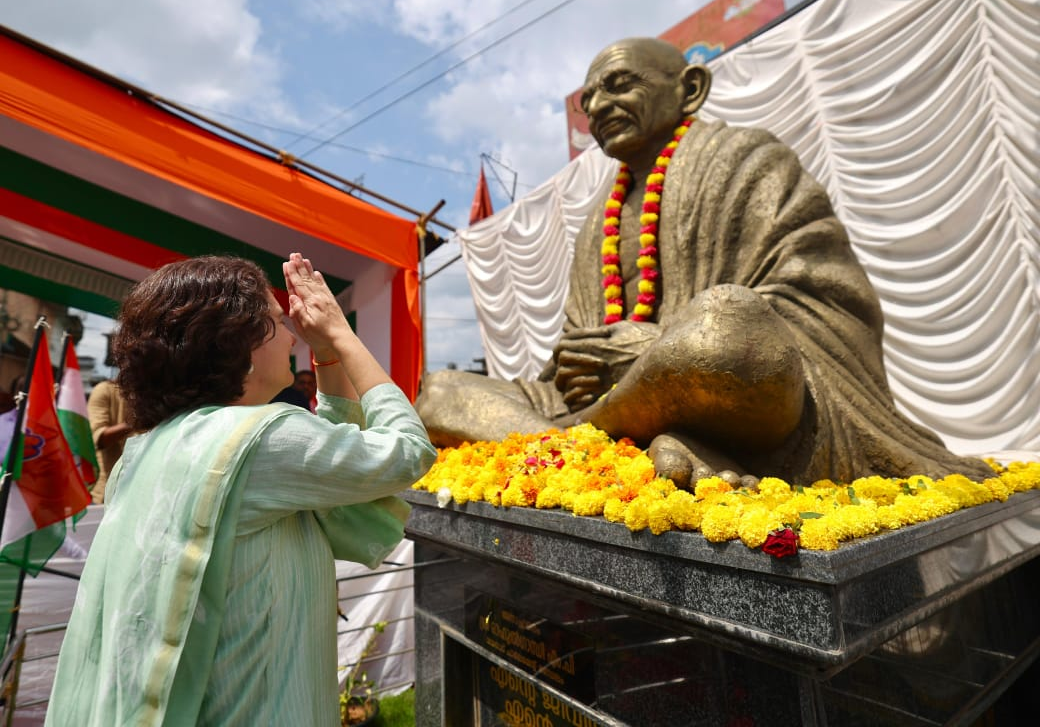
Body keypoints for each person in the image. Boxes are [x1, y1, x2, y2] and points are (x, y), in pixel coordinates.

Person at [416, 37, 990, 487]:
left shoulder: (746, 159)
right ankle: (611, 443)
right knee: (440, 392)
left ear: (689, 88)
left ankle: (571, 443)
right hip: (609, 406)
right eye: (589, 99)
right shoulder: (600, 218)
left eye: (618, 85)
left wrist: (648, 347)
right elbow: (576, 353)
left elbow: (827, 303)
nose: (598, 107)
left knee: (725, 332)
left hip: (733, 391)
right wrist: (577, 364)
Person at [46, 253, 436, 726]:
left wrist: (327, 356)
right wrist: (341, 334)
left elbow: (331, 476)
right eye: (277, 322)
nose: (293, 336)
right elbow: (406, 450)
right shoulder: (261, 438)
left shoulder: (157, 445)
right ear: (240, 344)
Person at [86, 378, 131, 503]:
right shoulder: (104, 390)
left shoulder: (160, 396)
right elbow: (98, 439)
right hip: (106, 495)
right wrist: (136, 423)